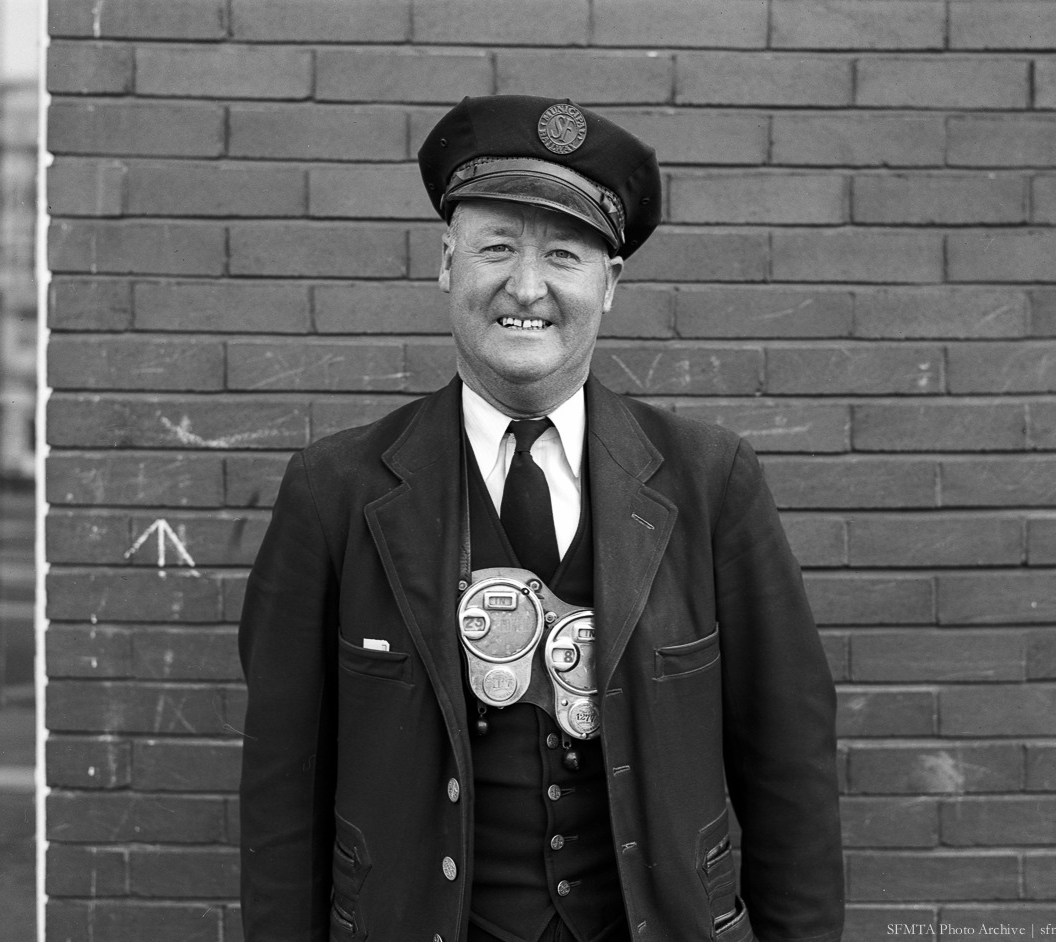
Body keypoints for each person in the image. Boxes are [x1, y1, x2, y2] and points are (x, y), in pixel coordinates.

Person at [238, 95, 843, 942]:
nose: (526, 287)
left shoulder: (713, 484)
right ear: (446, 263)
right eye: (494, 247)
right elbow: (281, 787)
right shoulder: (332, 492)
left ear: (610, 283)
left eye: (563, 252)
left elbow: (791, 770)